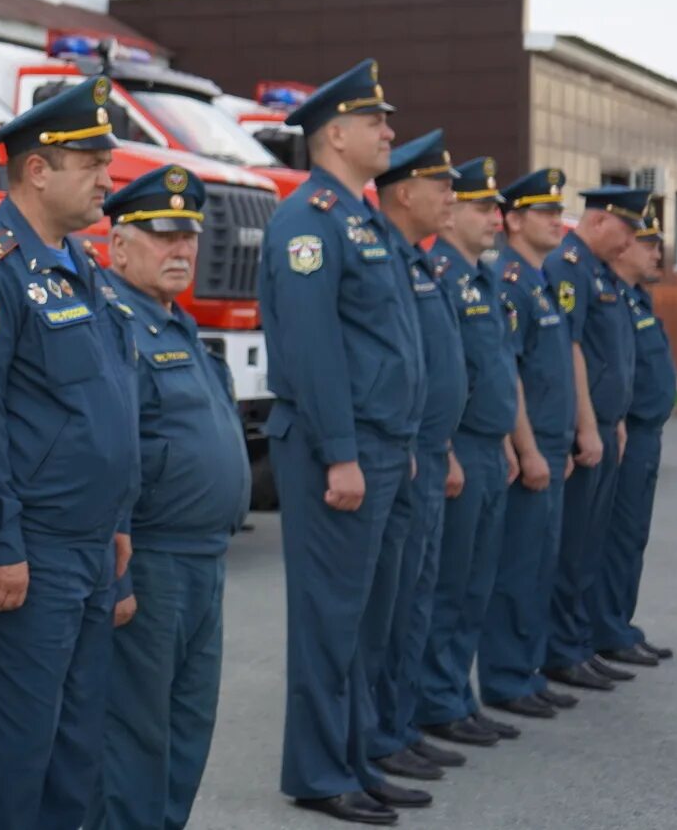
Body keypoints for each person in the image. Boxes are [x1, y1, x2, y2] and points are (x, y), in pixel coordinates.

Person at [0, 78, 140, 830]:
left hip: (90, 543)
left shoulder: (81, 266)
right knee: (14, 752)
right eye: (91, 162)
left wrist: (119, 518)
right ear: (37, 168)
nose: (107, 179)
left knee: (75, 749)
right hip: (31, 550)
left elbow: (108, 404)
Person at [258, 59, 424, 826]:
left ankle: (356, 757)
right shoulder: (308, 223)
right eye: (376, 120)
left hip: (383, 444)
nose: (389, 131)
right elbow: (315, 348)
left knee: (366, 619)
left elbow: (385, 339)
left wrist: (402, 436)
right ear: (334, 134)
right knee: (330, 620)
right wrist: (343, 452)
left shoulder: (358, 218)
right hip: (340, 450)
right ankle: (321, 771)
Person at [86, 165, 250, 830]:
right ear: (119, 243)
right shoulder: (113, 320)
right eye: (161, 236)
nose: (180, 250)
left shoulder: (178, 323)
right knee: (134, 737)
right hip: (151, 557)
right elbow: (110, 452)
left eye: (187, 236)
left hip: (204, 557)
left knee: (187, 727)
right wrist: (117, 568)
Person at [358, 134, 467, 785]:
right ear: (404, 192)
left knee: (415, 597)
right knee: (390, 604)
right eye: (442, 185)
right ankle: (379, 733)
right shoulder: (389, 257)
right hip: (399, 447)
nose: (450, 197)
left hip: (424, 447)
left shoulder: (416, 261)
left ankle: (398, 726)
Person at [415, 159, 530, 740]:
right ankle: (436, 699)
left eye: (497, 208)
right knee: (449, 581)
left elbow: (498, 368)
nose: (496, 218)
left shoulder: (484, 278)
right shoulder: (438, 274)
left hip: (489, 444)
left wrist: (510, 439)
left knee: (478, 579)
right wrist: (448, 449)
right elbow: (442, 372)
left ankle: (458, 692)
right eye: (483, 207)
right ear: (452, 211)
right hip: (458, 444)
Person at [476, 168, 579, 717]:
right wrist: (529, 446)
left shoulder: (538, 279)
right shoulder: (511, 279)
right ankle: (507, 676)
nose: (556, 221)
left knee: (539, 563)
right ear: (512, 221)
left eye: (558, 212)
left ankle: (527, 667)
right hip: (532, 446)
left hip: (553, 443)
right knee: (517, 566)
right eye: (545, 213)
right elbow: (508, 370)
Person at [542, 186, 646, 692]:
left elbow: (614, 354)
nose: (629, 245)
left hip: (606, 423)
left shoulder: (598, 270)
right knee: (573, 543)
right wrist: (586, 423)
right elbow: (572, 347)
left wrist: (615, 418)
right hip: (587, 426)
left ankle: (579, 643)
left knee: (590, 544)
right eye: (625, 232)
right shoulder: (569, 266)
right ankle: (562, 649)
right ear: (601, 221)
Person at [591, 205, 676, 666]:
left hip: (646, 433)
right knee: (616, 536)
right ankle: (606, 628)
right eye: (649, 244)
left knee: (633, 536)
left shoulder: (637, 298)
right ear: (623, 249)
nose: (656, 253)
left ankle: (621, 623)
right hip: (627, 432)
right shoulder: (614, 298)